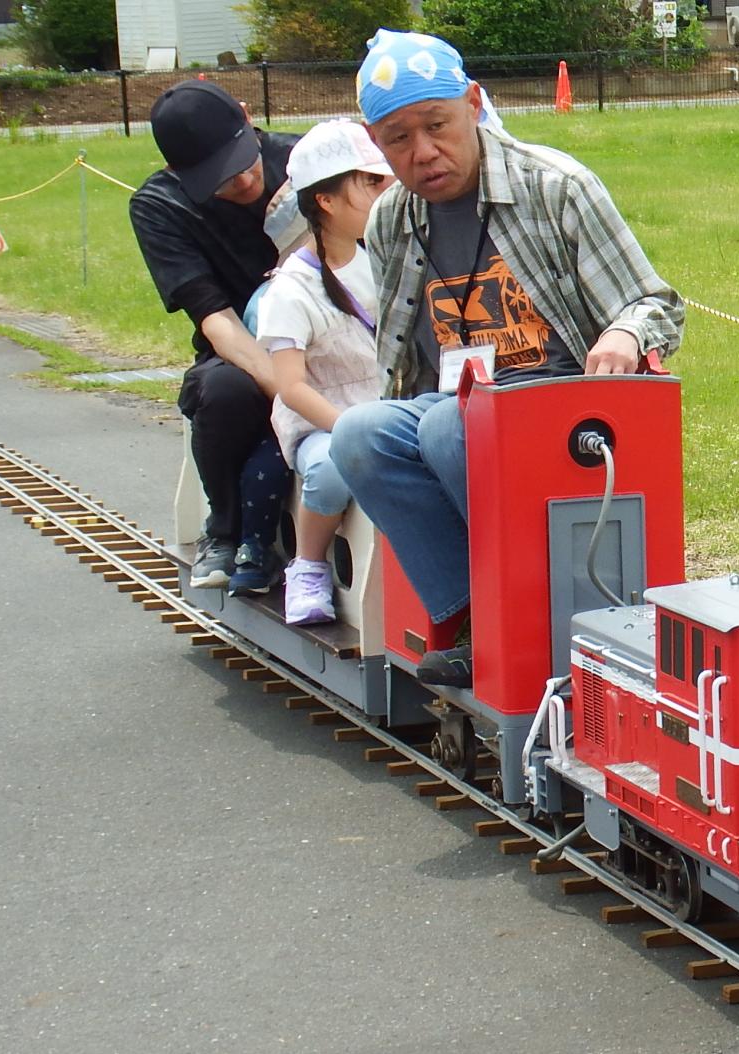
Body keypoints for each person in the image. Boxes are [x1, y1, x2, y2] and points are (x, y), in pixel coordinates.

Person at [331, 30, 685, 686]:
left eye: (437, 125)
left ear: (472, 103)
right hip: (464, 406)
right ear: (374, 142)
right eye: (397, 140)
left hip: (566, 414)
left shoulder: (555, 187)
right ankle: (472, 616)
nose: (424, 153)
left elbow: (654, 302)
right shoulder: (389, 223)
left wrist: (625, 336)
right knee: (358, 435)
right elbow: (404, 366)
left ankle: (531, 608)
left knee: (451, 423)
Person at [128, 80, 303, 592]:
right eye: (217, 179)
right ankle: (224, 530)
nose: (241, 181)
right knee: (222, 391)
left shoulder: (304, 161)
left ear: (249, 118)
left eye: (242, 160)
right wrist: (286, 389)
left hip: (332, 331)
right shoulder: (160, 207)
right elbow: (215, 318)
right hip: (241, 347)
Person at [249, 121, 394, 624]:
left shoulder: (385, 258)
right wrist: (352, 430)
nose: (387, 190)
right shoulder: (291, 289)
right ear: (327, 201)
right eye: (371, 183)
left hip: (387, 411)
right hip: (323, 423)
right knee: (334, 466)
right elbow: (291, 387)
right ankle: (307, 566)